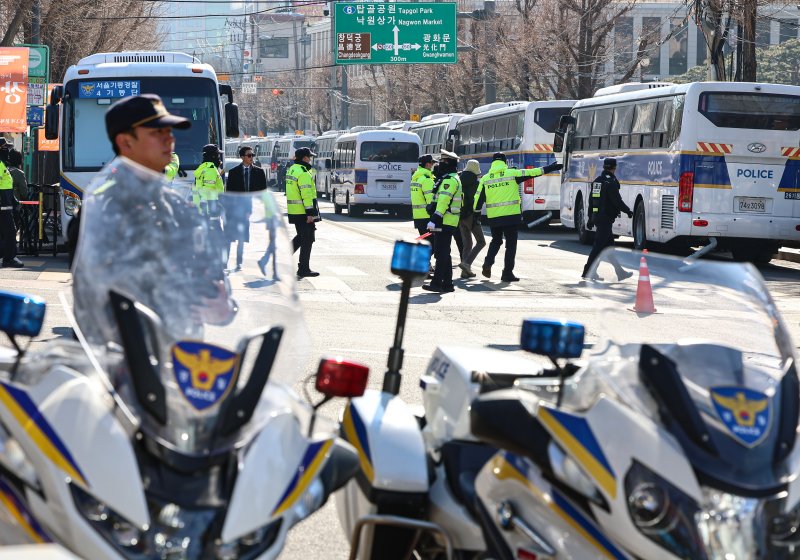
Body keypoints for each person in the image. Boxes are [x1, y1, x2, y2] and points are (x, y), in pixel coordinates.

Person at [67, 94, 192, 265]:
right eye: (157, 132)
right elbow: (97, 283)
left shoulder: (172, 203)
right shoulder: (101, 210)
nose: (170, 139)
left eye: (169, 131)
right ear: (126, 142)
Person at [473, 152, 562, 282]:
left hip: (494, 218)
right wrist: (551, 167)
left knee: (496, 241)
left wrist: (476, 214)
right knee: (510, 245)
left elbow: (477, 199)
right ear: (504, 162)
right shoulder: (512, 173)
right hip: (510, 217)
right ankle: (507, 273)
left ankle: (488, 263)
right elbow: (534, 172)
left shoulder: (485, 179)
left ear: (493, 163)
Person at [582, 158, 634, 280]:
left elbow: (592, 202)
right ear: (614, 168)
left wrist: (590, 218)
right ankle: (588, 271)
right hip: (605, 219)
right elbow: (617, 201)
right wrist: (628, 211)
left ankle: (619, 272)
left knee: (608, 248)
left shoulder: (597, 182)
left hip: (599, 218)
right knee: (598, 247)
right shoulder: (610, 183)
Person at [423, 150, 462, 293]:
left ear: (448, 164)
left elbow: (444, 201)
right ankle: (447, 283)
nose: (439, 165)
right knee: (444, 252)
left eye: (442, 162)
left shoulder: (449, 181)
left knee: (441, 253)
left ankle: (437, 283)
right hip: (447, 220)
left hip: (445, 221)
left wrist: (435, 218)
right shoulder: (448, 178)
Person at [224, 146, 267, 271]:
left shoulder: (259, 172)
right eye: (249, 155)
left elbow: (263, 192)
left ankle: (239, 262)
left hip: (249, 209)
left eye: (252, 155)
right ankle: (225, 262)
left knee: (242, 237)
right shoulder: (233, 172)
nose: (251, 157)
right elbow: (229, 193)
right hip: (234, 210)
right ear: (242, 157)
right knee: (230, 237)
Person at [286, 147, 320, 278]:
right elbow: (306, 194)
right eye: (309, 156)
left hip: (295, 211)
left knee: (301, 237)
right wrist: (310, 213)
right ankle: (303, 269)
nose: (310, 159)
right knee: (307, 240)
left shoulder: (293, 169)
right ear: (304, 158)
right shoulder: (304, 172)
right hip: (303, 212)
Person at [457, 159, 486, 279]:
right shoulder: (476, 183)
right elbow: (479, 200)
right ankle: (466, 264)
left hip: (459, 215)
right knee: (481, 242)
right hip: (471, 216)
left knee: (467, 243)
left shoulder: (458, 180)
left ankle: (465, 271)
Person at [0, 151, 21, 268]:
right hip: (3, 206)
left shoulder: (2, 165)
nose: (7, 152)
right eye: (4, 148)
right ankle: (9, 259)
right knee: (10, 233)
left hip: (5, 205)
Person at [193, 145, 225, 216]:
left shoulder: (203, 167)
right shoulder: (211, 169)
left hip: (203, 209)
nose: (219, 157)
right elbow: (208, 190)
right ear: (213, 156)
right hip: (211, 209)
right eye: (218, 154)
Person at [410, 154, 436, 237]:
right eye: (432, 163)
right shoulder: (427, 180)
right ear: (427, 164)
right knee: (432, 244)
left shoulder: (415, 179)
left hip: (417, 216)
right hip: (427, 217)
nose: (432, 166)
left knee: (425, 242)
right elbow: (431, 201)